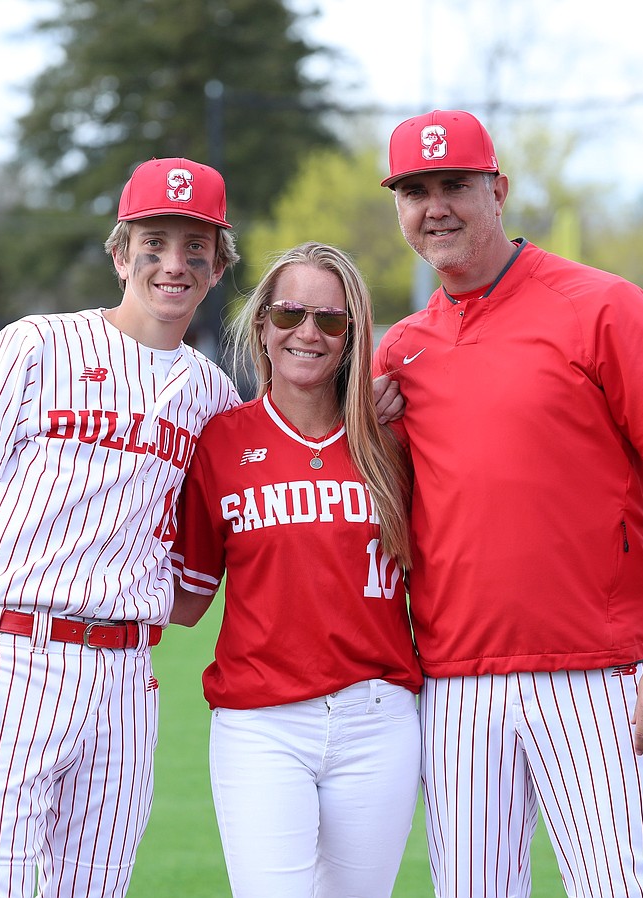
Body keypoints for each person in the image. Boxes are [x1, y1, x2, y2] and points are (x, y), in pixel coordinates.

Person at [373, 110, 643, 898]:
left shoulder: (600, 304)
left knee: (623, 888)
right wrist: (371, 425)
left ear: (497, 190)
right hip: (455, 683)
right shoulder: (401, 350)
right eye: (415, 191)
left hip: (600, 678)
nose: (436, 208)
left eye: (455, 185)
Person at [0, 156, 244, 897]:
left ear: (218, 267)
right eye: (155, 241)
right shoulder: (37, 343)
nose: (175, 263)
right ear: (121, 252)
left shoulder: (213, 396)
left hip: (126, 675)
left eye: (196, 247)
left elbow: (208, 552)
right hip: (11, 658)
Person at [169, 242, 422, 898]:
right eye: (289, 314)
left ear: (352, 336)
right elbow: (186, 599)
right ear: (261, 325)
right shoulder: (221, 440)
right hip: (261, 724)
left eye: (330, 321)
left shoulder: (394, 442)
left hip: (379, 718)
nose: (307, 333)